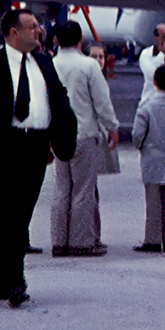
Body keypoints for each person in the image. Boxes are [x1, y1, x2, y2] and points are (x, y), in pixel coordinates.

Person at [0, 9, 77, 307]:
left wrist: (60, 135)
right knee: (9, 211)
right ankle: (16, 281)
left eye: (38, 26)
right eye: (32, 27)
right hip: (4, 148)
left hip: (36, 147)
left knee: (21, 213)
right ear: (13, 33)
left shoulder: (44, 62)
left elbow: (59, 97)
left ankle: (1, 278)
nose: (39, 31)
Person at [49, 20, 117, 257]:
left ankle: (59, 241)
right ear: (80, 40)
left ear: (56, 40)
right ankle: (81, 241)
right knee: (84, 189)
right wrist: (112, 127)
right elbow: (102, 101)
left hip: (58, 134)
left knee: (62, 187)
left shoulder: (51, 64)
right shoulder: (88, 66)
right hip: (85, 133)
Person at [133, 64, 165, 252]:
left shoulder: (147, 106)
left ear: (154, 82)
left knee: (153, 200)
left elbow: (138, 134)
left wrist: (140, 146)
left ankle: (152, 239)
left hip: (152, 158)